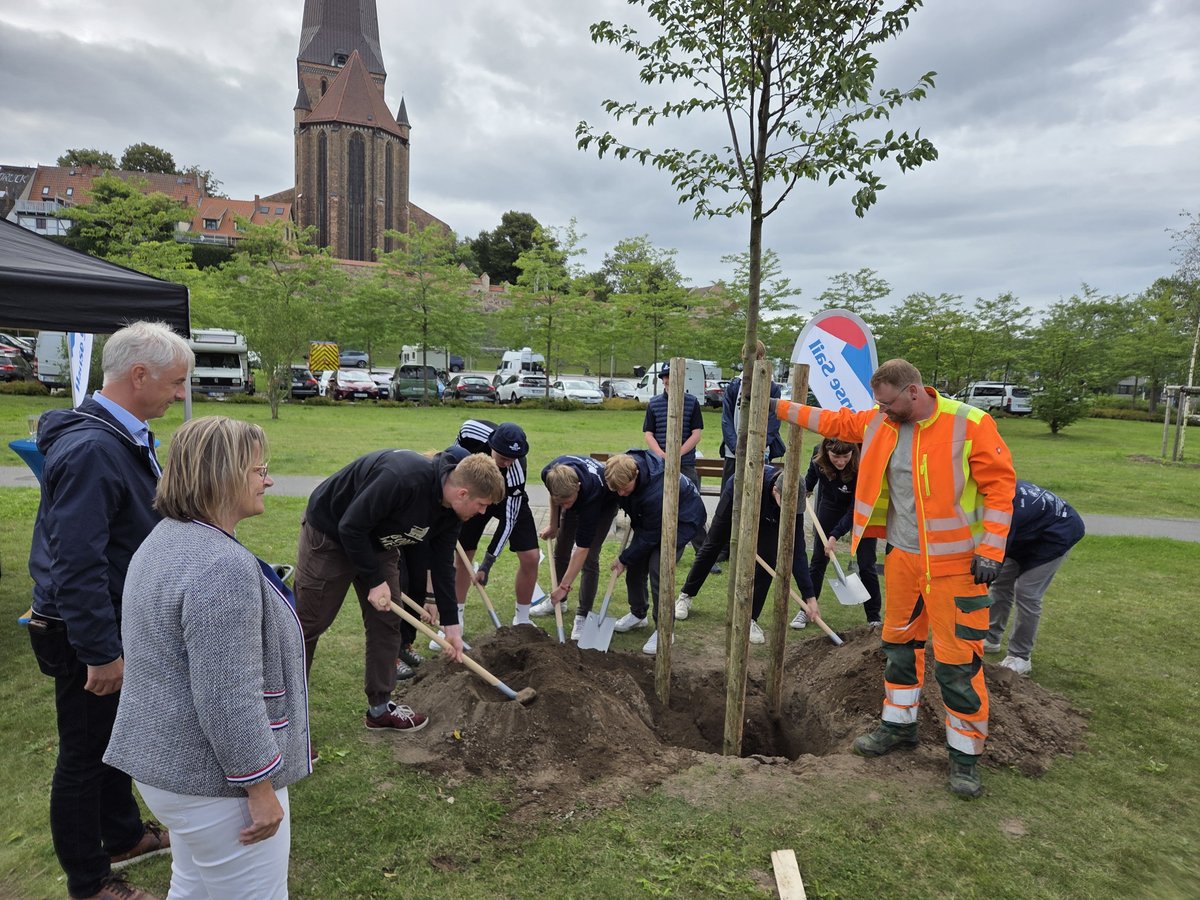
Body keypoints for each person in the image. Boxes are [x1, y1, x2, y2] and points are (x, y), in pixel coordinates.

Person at [772, 358, 1016, 799]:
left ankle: (964, 757)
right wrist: (777, 406)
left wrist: (991, 549)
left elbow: (1000, 488)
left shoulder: (971, 424)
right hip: (903, 559)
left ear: (914, 392)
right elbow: (835, 420)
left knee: (959, 662)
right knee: (899, 647)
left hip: (957, 567)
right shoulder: (881, 424)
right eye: (878, 405)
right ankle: (898, 726)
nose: (882, 411)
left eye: (888, 404)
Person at [105, 416, 308, 899]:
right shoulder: (221, 566)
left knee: (194, 884)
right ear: (225, 475)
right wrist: (259, 789)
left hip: (166, 769)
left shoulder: (164, 538)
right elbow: (227, 695)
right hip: (215, 784)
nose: (269, 479)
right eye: (260, 469)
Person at [27, 321, 191, 900]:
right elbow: (74, 561)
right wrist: (99, 651)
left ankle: (121, 836)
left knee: (117, 736)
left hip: (116, 620)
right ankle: (90, 882)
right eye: (175, 383)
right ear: (138, 375)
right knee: (85, 754)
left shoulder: (123, 435)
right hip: (87, 630)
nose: (179, 394)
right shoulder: (94, 447)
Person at [295, 446, 503, 733]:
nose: (483, 512)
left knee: (388, 621)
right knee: (309, 625)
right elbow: (351, 526)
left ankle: (380, 708)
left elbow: (443, 565)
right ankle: (287, 719)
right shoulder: (403, 478)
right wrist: (373, 579)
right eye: (482, 505)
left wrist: (452, 627)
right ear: (462, 493)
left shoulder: (452, 513)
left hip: (380, 543)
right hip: (331, 535)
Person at [674, 465, 819, 643]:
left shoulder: (793, 507)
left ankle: (751, 618)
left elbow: (797, 551)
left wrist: (809, 596)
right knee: (712, 545)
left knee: (768, 561)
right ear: (775, 490)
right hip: (738, 491)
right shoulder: (754, 482)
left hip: (769, 512)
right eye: (786, 505)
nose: (789, 511)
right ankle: (686, 595)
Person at [605, 451, 707, 654]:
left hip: (682, 520)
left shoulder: (656, 491)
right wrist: (629, 559)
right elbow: (642, 525)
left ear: (635, 476)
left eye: (625, 489)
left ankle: (664, 630)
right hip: (651, 518)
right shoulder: (619, 472)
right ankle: (638, 614)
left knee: (659, 568)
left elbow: (649, 537)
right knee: (635, 564)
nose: (621, 494)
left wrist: (624, 557)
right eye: (616, 490)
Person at [984, 480, 1085, 675]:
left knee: (1027, 592)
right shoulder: (989, 493)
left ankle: (1020, 657)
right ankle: (991, 638)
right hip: (1027, 532)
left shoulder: (1006, 509)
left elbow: (993, 555)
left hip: (1057, 533)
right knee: (1001, 583)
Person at [454, 420, 541, 625]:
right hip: (476, 493)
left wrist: (487, 564)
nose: (508, 463)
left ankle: (522, 620)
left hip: (506, 498)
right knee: (462, 557)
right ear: (492, 445)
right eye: (503, 458)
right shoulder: (470, 431)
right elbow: (452, 462)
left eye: (514, 459)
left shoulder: (516, 471)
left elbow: (509, 520)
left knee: (531, 556)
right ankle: (455, 619)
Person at [804, 438, 883, 628]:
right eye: (835, 457)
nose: (840, 462)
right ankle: (806, 610)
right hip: (830, 504)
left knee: (867, 564)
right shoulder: (818, 457)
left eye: (845, 457)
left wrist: (834, 535)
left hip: (859, 508)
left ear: (853, 452)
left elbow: (854, 509)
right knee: (818, 560)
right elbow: (810, 479)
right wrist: (804, 490)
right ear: (826, 452)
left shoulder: (863, 462)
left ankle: (874, 617)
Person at [540, 455, 619, 641]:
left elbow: (582, 548)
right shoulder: (549, 473)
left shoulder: (592, 493)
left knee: (590, 557)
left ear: (578, 487)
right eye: (562, 503)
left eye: (568, 501)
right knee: (561, 549)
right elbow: (555, 497)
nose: (565, 505)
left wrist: (564, 586)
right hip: (577, 497)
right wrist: (554, 525)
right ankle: (560, 603)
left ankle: (582, 615)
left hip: (603, 507)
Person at [642, 362, 707, 552]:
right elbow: (648, 434)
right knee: (660, 507)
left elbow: (696, 433)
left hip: (685, 463)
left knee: (694, 507)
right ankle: (664, 548)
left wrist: (677, 453)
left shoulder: (691, 402)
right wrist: (662, 455)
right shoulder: (654, 403)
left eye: (674, 376)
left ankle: (702, 552)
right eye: (667, 376)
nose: (670, 379)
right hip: (660, 464)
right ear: (663, 380)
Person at [720, 341, 785, 489]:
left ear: (762, 358)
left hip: (760, 452)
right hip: (733, 453)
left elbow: (773, 422)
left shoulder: (772, 388)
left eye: (756, 358)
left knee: (757, 492)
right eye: (747, 359)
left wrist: (757, 446)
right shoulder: (734, 386)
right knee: (729, 493)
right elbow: (726, 420)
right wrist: (737, 447)